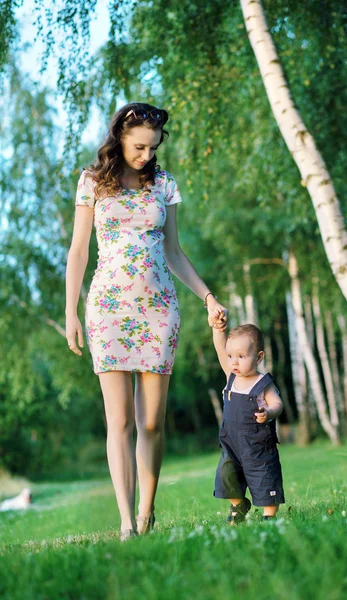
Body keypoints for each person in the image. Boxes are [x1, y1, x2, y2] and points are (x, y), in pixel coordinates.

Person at [65, 102, 227, 540]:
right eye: (139, 147)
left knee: (152, 422)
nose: (145, 155)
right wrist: (70, 313)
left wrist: (208, 296)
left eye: (152, 148)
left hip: (158, 311)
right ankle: (125, 523)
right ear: (119, 136)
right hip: (108, 310)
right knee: (119, 421)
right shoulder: (92, 182)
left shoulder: (165, 184)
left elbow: (174, 253)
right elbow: (79, 250)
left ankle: (147, 511)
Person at [209, 315, 285, 524]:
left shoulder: (262, 383)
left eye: (241, 356)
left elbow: (277, 404)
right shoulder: (231, 377)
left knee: (264, 476)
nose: (234, 361)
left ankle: (269, 515)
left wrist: (268, 413)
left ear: (258, 357)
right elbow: (219, 346)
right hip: (232, 443)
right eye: (231, 356)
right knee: (227, 475)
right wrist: (218, 329)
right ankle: (238, 503)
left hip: (258, 444)